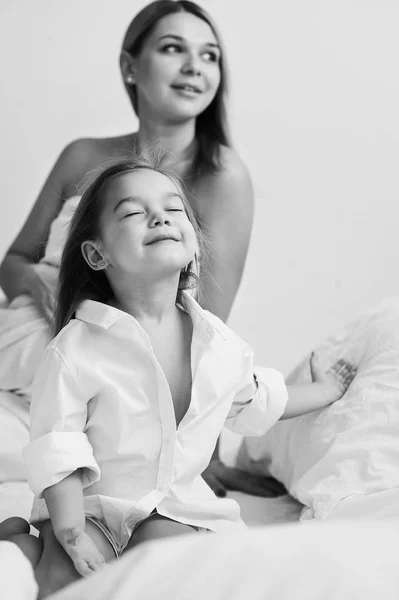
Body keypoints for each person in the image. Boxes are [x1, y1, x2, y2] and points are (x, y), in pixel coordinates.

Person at [0, 158, 356, 597]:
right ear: (97, 253)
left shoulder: (216, 343)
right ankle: (25, 544)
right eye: (133, 212)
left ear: (194, 244)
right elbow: (59, 450)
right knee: (64, 584)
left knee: (164, 574)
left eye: (174, 210)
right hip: (88, 509)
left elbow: (256, 397)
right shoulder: (75, 349)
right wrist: (70, 533)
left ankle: (33, 543)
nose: (160, 217)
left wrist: (325, 390)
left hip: (175, 510)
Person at [0, 0, 254, 495]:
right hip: (24, 343)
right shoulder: (83, 156)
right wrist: (40, 286)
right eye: (172, 48)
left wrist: (204, 449)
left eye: (209, 56)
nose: (194, 68)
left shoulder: (221, 177)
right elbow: (13, 262)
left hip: (113, 386)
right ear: (129, 66)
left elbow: (206, 328)